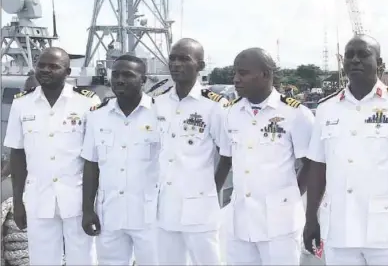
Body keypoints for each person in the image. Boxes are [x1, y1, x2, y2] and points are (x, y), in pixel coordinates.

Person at [303, 35, 388, 265]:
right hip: (338, 229)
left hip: (386, 232)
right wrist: (311, 218)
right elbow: (317, 167)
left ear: (379, 64)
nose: (355, 60)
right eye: (349, 56)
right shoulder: (326, 108)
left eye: (363, 54)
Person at [3, 47, 100, 265]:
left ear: (67, 72)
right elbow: (17, 155)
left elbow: (95, 157)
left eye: (54, 66)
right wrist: (18, 202)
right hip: (39, 198)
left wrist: (89, 207)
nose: (46, 70)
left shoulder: (87, 102)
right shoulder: (21, 104)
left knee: (83, 258)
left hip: (78, 198)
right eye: (42, 65)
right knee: (42, 260)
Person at [217, 48, 315, 264]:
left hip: (280, 224)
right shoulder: (231, 113)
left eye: (242, 73)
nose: (236, 79)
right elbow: (226, 158)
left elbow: (311, 164)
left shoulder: (295, 114)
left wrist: (292, 196)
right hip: (240, 222)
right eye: (235, 73)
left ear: (265, 74)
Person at [154, 38, 228, 265]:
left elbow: (227, 154)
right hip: (164, 206)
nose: (176, 64)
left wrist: (211, 189)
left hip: (200, 208)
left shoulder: (214, 106)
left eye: (184, 59)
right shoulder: (158, 103)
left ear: (200, 66)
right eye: (172, 59)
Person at [80, 55, 160, 265]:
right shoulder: (97, 116)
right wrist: (87, 209)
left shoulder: (161, 115)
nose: (120, 80)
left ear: (143, 80)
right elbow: (91, 165)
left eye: (128, 75)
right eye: (115, 75)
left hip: (151, 215)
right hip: (110, 214)